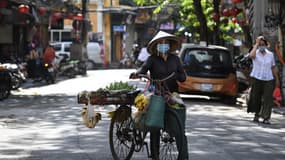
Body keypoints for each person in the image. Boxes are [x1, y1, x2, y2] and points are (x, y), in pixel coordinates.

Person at [130, 31, 188, 159]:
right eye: (160, 43)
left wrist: (177, 75)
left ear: (169, 45)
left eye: (165, 43)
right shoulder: (152, 60)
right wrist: (137, 73)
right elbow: (143, 69)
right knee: (155, 126)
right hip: (156, 94)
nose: (163, 45)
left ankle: (183, 156)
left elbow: (183, 77)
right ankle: (155, 156)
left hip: (172, 95)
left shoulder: (175, 59)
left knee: (179, 129)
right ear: (156, 46)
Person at [247, 36, 280, 124]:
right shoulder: (255, 52)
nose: (261, 46)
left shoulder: (270, 55)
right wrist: (256, 44)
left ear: (266, 45)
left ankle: (266, 117)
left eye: (263, 44)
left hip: (268, 78)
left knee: (268, 98)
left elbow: (273, 67)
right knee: (256, 97)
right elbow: (251, 56)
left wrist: (277, 79)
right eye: (260, 44)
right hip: (256, 78)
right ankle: (256, 114)